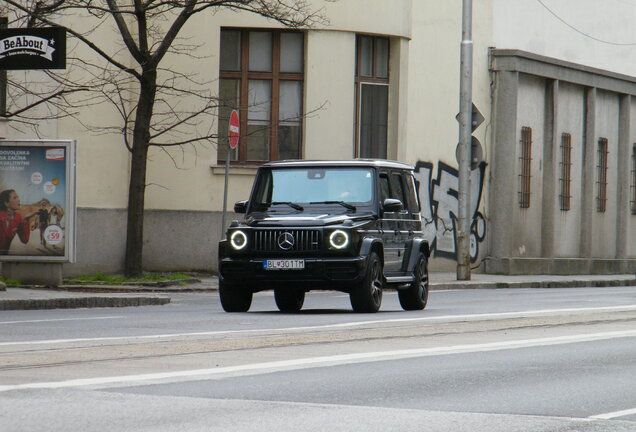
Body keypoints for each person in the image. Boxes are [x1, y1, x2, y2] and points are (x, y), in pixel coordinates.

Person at [0, 189, 32, 254]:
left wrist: (26, 220)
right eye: (15, 198)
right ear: (6, 203)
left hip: (4, 257)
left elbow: (24, 240)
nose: (18, 200)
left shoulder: (18, 217)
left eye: (17, 197)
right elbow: (7, 234)